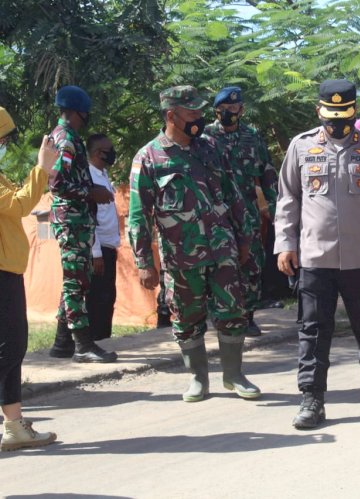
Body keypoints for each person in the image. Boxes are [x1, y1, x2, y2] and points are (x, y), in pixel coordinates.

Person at [275, 79, 360, 430]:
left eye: (344, 115)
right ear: (319, 111)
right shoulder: (301, 148)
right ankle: (311, 399)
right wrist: (285, 244)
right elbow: (287, 199)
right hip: (316, 257)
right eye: (331, 116)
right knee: (312, 330)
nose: (337, 123)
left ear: (354, 112)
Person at [129, 85, 260, 402]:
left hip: (223, 250)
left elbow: (234, 197)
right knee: (186, 319)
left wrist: (245, 238)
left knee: (233, 311)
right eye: (193, 112)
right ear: (171, 114)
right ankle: (198, 379)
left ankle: (234, 375)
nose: (199, 118)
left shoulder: (211, 149)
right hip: (181, 257)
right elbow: (138, 216)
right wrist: (145, 263)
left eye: (201, 111)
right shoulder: (149, 157)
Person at [0, 107, 58, 451]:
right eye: (3, 139)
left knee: (11, 348)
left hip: (8, 268)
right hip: (2, 271)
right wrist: (43, 167)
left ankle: (14, 425)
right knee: (12, 347)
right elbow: (20, 206)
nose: (5, 145)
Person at [47, 86, 118, 363]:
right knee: (76, 283)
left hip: (77, 221)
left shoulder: (68, 136)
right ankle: (83, 346)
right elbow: (56, 182)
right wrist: (91, 193)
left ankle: (62, 343)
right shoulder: (65, 139)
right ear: (79, 111)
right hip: (71, 221)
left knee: (77, 281)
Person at [204, 86, 277, 337]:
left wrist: (276, 207)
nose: (228, 113)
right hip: (217, 214)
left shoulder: (252, 136)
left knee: (252, 263)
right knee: (221, 263)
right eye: (222, 109)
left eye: (233, 109)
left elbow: (267, 173)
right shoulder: (206, 138)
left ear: (242, 109)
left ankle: (248, 316)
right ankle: (219, 313)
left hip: (247, 212)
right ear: (215, 111)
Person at [85, 134, 120, 340]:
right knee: (98, 298)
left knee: (107, 297)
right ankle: (95, 341)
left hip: (108, 247)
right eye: (110, 149)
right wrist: (96, 252)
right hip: (97, 250)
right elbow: (90, 218)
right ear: (99, 153)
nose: (112, 153)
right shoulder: (89, 177)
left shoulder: (102, 174)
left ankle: (103, 340)